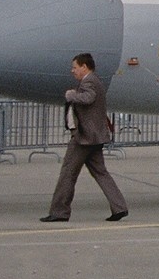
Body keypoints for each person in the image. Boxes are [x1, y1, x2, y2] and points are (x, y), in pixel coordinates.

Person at [41, 53, 129, 222]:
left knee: (68, 174)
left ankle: (59, 212)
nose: (72, 70)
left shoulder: (89, 81)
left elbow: (88, 98)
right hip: (94, 137)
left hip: (84, 138)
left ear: (84, 67)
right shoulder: (94, 81)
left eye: (75, 67)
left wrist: (71, 95)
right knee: (101, 173)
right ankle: (119, 207)